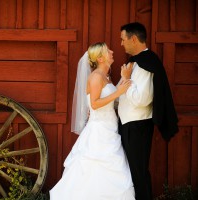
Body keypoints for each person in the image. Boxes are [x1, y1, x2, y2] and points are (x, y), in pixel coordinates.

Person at [49, 42, 135, 200]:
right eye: (108, 50)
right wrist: (119, 92)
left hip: (110, 128)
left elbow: (111, 99)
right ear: (101, 58)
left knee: (110, 170)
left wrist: (123, 80)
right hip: (99, 131)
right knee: (95, 168)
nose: (112, 51)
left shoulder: (105, 77)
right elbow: (95, 104)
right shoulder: (96, 77)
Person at [118, 22, 179, 200]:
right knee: (132, 172)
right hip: (128, 125)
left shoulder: (146, 64)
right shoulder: (135, 63)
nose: (121, 44)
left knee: (139, 173)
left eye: (123, 39)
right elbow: (121, 95)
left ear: (134, 39)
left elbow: (142, 100)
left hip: (137, 126)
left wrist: (126, 81)